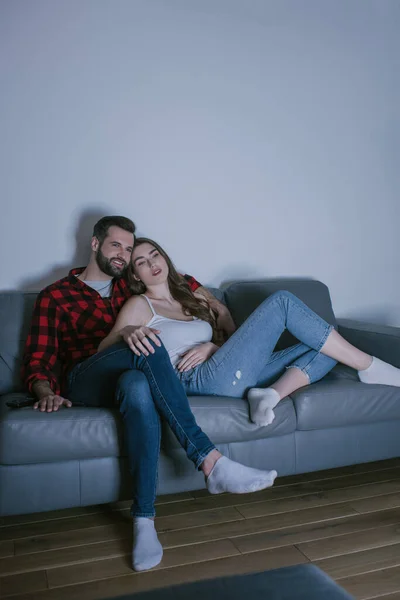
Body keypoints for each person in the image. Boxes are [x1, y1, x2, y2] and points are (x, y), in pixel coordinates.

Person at [99, 236, 400, 570]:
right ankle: (371, 367)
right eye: (141, 261)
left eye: (155, 254)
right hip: (193, 380)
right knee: (284, 302)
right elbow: (106, 353)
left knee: (326, 341)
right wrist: (130, 335)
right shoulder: (140, 306)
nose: (152, 262)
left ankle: (271, 394)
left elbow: (237, 337)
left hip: (226, 368)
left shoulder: (192, 295)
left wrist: (214, 345)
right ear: (136, 275)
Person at [22, 216, 278, 573]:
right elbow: (39, 357)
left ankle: (144, 519)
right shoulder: (57, 295)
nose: (125, 255)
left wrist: (215, 326)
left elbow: (185, 285)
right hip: (87, 377)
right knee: (148, 341)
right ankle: (210, 459)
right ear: (95, 245)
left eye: (130, 250)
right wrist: (45, 390)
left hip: (132, 377)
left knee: (138, 386)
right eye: (117, 246)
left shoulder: (137, 284)